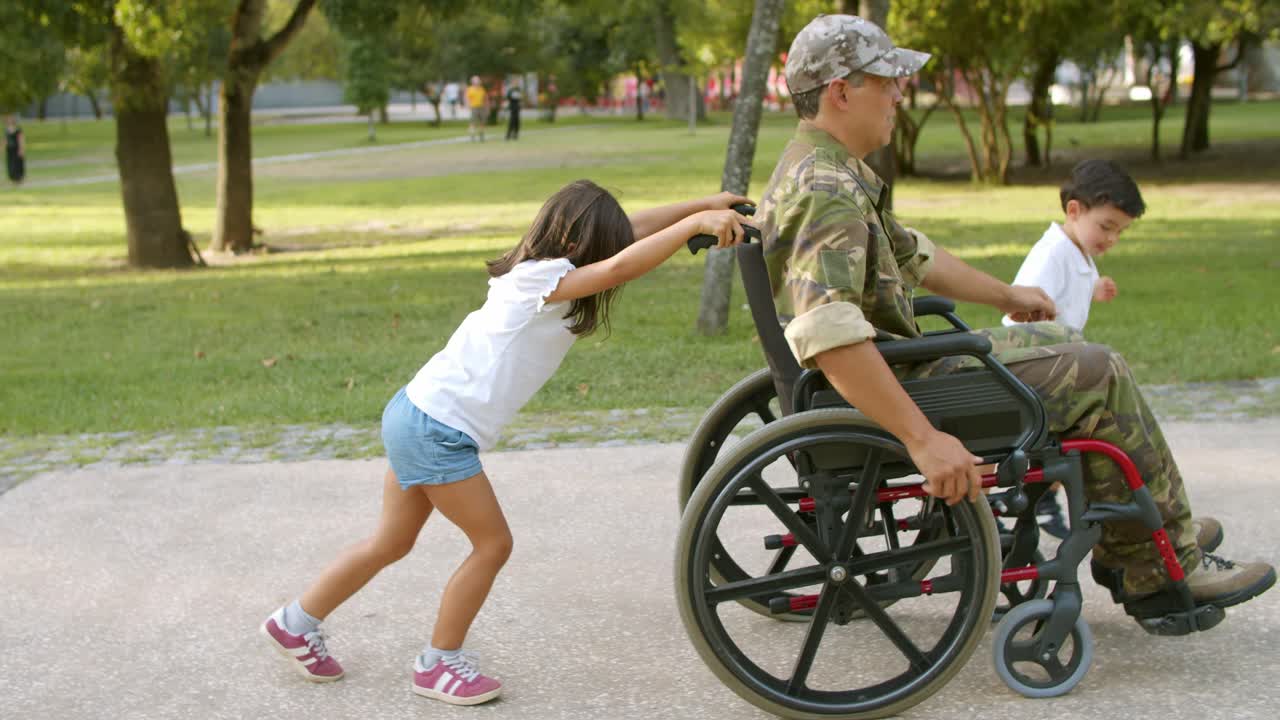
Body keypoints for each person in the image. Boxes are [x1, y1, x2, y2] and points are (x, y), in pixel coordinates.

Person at [756, 13, 1273, 624]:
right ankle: (1156, 564)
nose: (900, 92)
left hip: (906, 365)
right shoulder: (824, 187)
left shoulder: (829, 171)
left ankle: (1142, 522)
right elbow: (829, 335)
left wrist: (1006, 295)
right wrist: (923, 441)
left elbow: (914, 253)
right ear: (842, 91)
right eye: (887, 79)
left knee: (1055, 337)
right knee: (1097, 371)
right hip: (905, 385)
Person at [261, 181, 753, 705]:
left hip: (417, 412)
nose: (616, 245)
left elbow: (628, 234)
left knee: (391, 542)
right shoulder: (540, 278)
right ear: (581, 243)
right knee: (492, 544)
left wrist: (702, 205)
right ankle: (438, 664)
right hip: (436, 429)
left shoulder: (544, 266)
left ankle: (295, 622)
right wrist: (694, 227)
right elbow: (617, 266)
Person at [1002, 158, 1143, 537]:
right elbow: (1020, 306)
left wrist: (1096, 288)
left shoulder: (1079, 249)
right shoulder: (1052, 254)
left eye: (1120, 232)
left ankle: (1069, 498)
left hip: (1060, 357)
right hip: (1035, 360)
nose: (1111, 239)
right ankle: (1045, 495)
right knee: (1085, 426)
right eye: (1106, 227)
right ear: (1074, 210)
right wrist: (1031, 318)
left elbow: (1078, 284)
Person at [465, 76, 488, 142]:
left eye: (478, 80)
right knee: (473, 122)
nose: (477, 82)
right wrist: (468, 105)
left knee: (482, 122)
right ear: (472, 82)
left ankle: (481, 135)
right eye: (476, 80)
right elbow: (467, 98)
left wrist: (486, 107)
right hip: (474, 107)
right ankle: (472, 136)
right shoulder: (470, 89)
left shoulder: (481, 89)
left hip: (481, 107)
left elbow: (485, 98)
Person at [5, 115, 25, 185]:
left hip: (16, 149)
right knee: (10, 164)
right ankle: (13, 179)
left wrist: (21, 149)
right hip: (9, 150)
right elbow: (6, 140)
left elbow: (21, 140)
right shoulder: (7, 130)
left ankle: (19, 179)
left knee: (17, 164)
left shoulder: (18, 130)